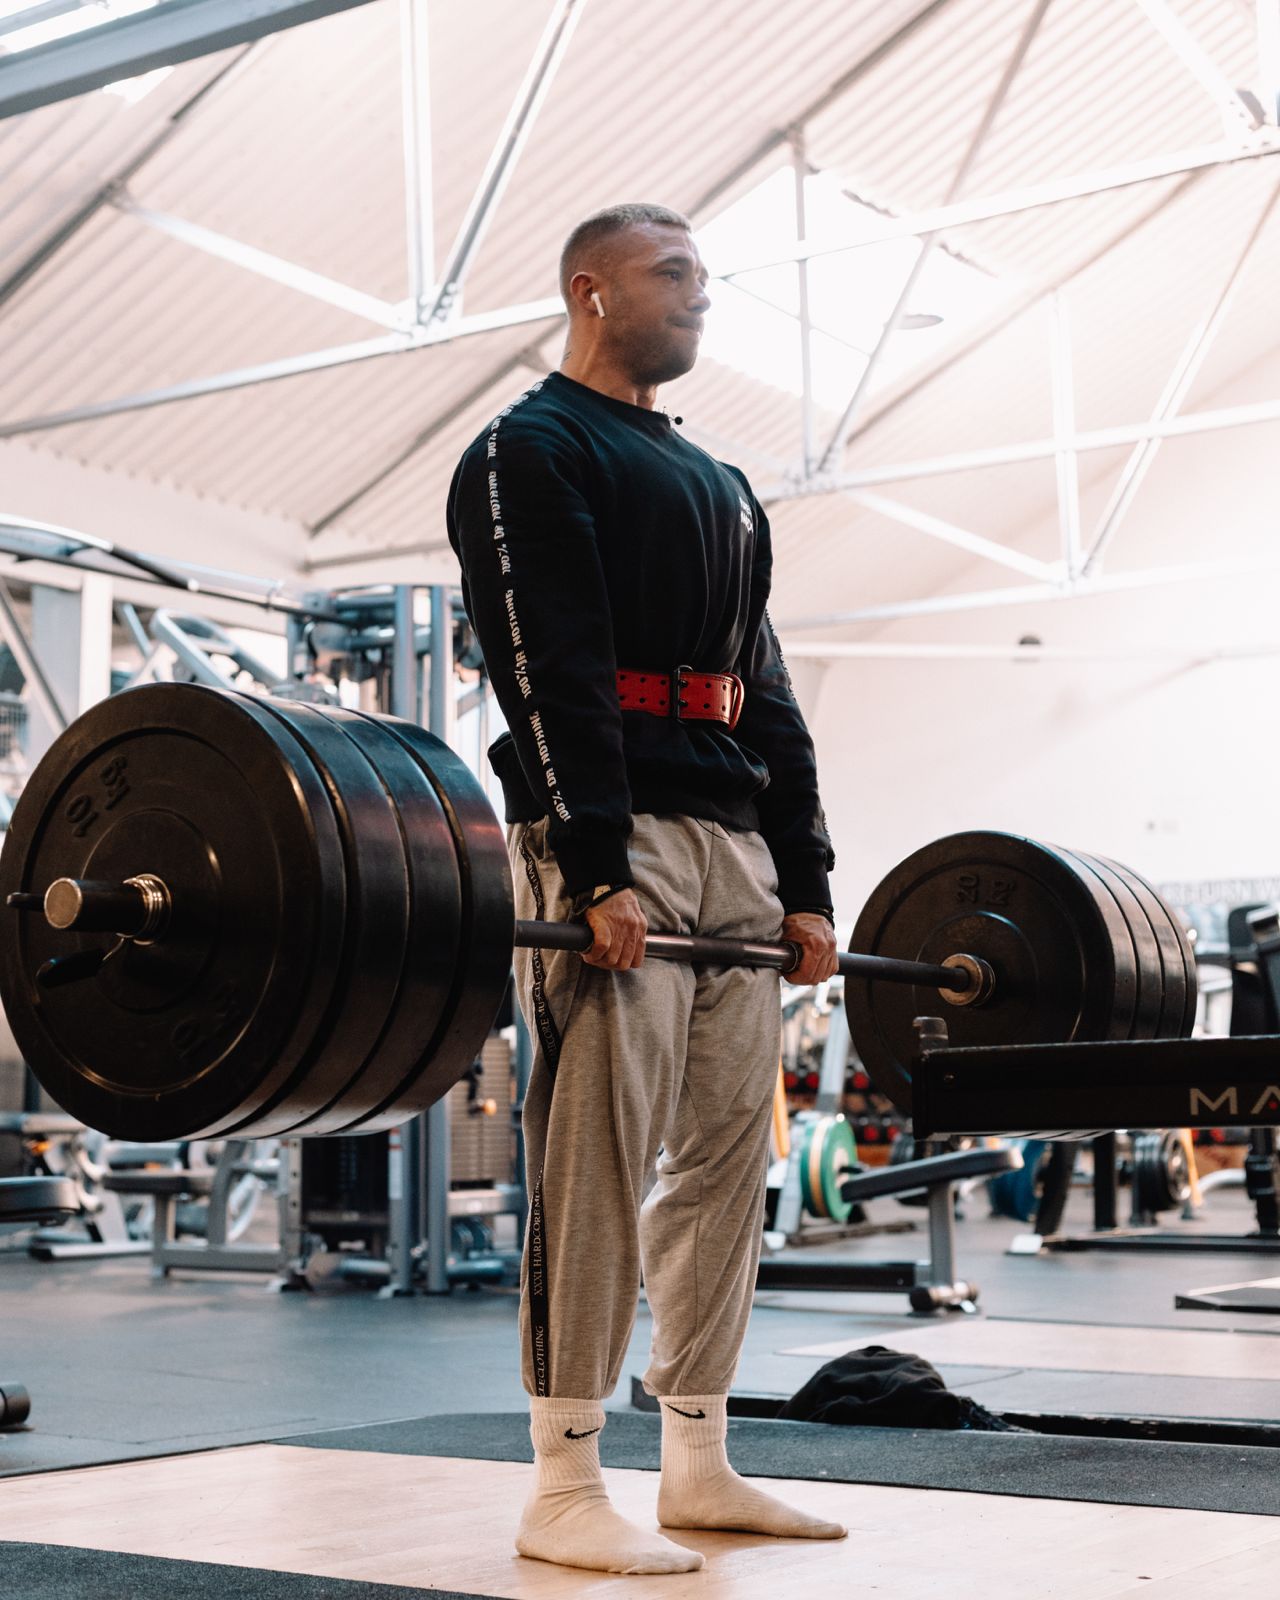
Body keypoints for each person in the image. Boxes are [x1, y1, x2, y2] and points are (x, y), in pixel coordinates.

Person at [446, 201, 845, 1576]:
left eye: (704, 277)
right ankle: (564, 1484)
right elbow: (545, 663)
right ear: (592, 291)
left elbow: (769, 695)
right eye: (674, 274)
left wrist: (809, 882)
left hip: (733, 843)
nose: (701, 298)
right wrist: (595, 858)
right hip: (615, 841)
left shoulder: (728, 487)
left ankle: (698, 1458)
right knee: (598, 1152)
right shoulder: (527, 449)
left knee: (735, 1157)